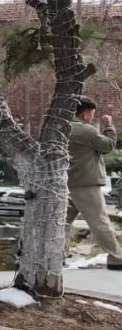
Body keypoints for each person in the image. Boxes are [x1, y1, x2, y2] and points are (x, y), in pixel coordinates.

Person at [67, 96, 122, 270]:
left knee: (61, 223)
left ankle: (55, 256)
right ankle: (117, 258)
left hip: (67, 183)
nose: (92, 117)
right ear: (84, 114)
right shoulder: (86, 130)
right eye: (91, 113)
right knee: (100, 221)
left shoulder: (63, 128)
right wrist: (109, 126)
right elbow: (107, 145)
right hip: (86, 184)